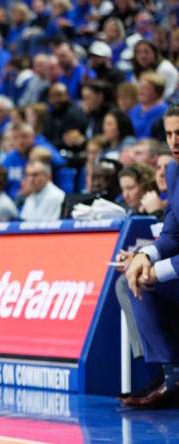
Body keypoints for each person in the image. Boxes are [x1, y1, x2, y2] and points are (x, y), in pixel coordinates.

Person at [122, 104, 179, 408]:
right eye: (170, 134)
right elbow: (172, 234)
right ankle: (170, 375)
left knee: (149, 277)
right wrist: (145, 255)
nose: (174, 141)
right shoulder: (174, 170)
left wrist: (161, 269)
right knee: (134, 277)